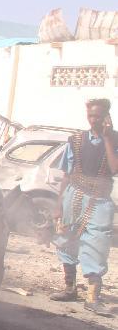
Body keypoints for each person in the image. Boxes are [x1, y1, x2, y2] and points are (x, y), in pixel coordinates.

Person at [50, 99, 118, 316]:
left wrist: (108, 138)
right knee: (66, 238)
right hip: (74, 195)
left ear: (107, 116)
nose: (93, 120)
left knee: (96, 243)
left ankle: (92, 297)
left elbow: (114, 168)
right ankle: (70, 288)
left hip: (100, 199)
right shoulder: (76, 139)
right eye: (90, 116)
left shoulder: (115, 139)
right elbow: (66, 175)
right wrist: (58, 205)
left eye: (97, 116)